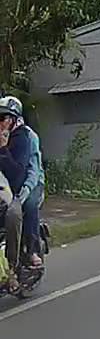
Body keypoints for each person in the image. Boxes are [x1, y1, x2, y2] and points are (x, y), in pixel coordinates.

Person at [0, 96, 44, 291]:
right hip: (5, 188)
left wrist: (3, 148)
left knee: (19, 211)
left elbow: (24, 172)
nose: (0, 122)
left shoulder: (24, 137)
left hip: (29, 183)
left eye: (4, 118)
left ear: (13, 119)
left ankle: (18, 261)